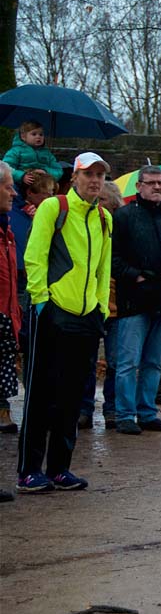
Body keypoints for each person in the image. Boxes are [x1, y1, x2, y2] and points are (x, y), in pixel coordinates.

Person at [17, 152, 113, 492]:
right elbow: (34, 256)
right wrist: (42, 301)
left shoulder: (104, 218)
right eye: (89, 174)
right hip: (52, 313)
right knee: (41, 394)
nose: (95, 181)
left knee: (71, 397)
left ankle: (59, 468)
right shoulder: (53, 207)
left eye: (100, 175)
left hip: (87, 318)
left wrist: (101, 308)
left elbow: (103, 268)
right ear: (74, 177)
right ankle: (29, 470)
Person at [110, 166, 161, 435]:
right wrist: (134, 276)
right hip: (134, 302)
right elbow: (112, 258)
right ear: (139, 186)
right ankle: (125, 414)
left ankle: (147, 412)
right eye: (151, 182)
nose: (157, 187)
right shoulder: (123, 218)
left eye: (160, 183)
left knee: (153, 362)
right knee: (128, 362)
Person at [78, 182, 124, 430]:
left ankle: (112, 409)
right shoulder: (87, 226)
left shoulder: (123, 232)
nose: (98, 203)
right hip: (90, 305)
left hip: (117, 307)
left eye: (103, 199)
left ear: (115, 205)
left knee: (115, 362)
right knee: (86, 361)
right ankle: (84, 409)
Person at [0, 162, 21, 434]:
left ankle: (2, 408)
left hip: (7, 313)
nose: (14, 193)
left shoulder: (7, 231)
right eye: (8, 187)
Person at [2, 121, 63, 192]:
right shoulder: (15, 151)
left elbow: (58, 170)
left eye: (41, 134)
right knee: (13, 188)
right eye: (34, 134)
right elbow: (6, 168)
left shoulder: (47, 154)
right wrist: (22, 176)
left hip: (43, 184)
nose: (38, 137)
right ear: (23, 137)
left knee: (55, 187)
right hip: (21, 185)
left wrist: (45, 171)